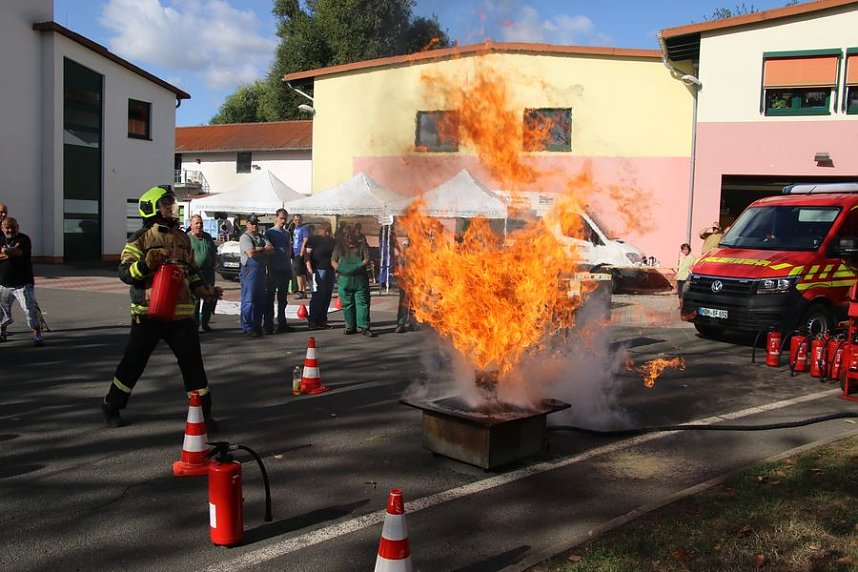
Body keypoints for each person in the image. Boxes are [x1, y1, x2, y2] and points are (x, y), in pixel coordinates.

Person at [101, 185, 221, 429]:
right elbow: (125, 274)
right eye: (165, 205)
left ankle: (203, 415)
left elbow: (191, 272)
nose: (171, 208)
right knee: (133, 363)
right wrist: (146, 265)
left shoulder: (182, 238)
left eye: (171, 204)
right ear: (151, 209)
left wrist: (204, 290)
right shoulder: (140, 238)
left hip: (181, 316)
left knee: (193, 366)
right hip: (148, 315)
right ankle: (112, 405)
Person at [0, 217, 44, 346]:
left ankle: (37, 334)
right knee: (2, 311)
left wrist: (4, 251)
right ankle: (2, 332)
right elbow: (12, 252)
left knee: (30, 310)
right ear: (2, 228)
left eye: (13, 227)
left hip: (23, 284)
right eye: (7, 228)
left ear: (18, 227)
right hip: (3, 284)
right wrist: (8, 252)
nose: (10, 230)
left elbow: (18, 253)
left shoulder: (24, 239)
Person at [332, 227, 375, 337]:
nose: (349, 238)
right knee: (347, 304)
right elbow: (333, 261)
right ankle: (350, 327)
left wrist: (358, 266)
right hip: (344, 280)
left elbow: (367, 259)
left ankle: (364, 327)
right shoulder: (339, 247)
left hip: (360, 280)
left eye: (351, 236)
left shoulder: (362, 246)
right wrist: (341, 269)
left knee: (363, 304)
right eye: (347, 236)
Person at [239, 214, 273, 337]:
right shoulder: (245, 237)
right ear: (247, 224)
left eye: (256, 223)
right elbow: (250, 253)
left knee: (260, 301)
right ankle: (247, 327)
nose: (254, 226)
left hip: (261, 271)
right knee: (249, 300)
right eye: (252, 223)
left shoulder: (262, 237)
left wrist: (258, 249)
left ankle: (257, 326)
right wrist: (263, 250)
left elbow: (272, 250)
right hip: (249, 271)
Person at [263, 208, 293, 334]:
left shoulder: (286, 233)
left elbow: (289, 249)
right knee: (270, 297)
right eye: (281, 218)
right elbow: (268, 252)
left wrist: (289, 267)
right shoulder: (270, 233)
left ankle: (282, 323)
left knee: (283, 298)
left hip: (285, 268)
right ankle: (268, 325)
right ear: (276, 218)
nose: (283, 221)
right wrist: (269, 269)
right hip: (274, 269)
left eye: (285, 219)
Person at [187, 215, 218, 332]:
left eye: (201, 223)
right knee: (195, 301)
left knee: (209, 298)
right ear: (191, 225)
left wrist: (215, 262)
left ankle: (205, 323)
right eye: (197, 223)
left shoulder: (207, 237)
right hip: (195, 273)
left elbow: (214, 252)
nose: (199, 225)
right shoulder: (187, 238)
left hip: (209, 272)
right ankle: (194, 326)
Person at [304, 221, 336, 329]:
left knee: (327, 296)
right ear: (321, 230)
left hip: (330, 270)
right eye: (325, 231)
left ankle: (322, 320)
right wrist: (309, 268)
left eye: (329, 231)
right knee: (318, 295)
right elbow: (307, 254)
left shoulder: (332, 241)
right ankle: (313, 320)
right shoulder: (314, 240)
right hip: (318, 270)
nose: (327, 233)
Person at [291, 214, 310, 298]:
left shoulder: (304, 228)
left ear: (301, 220)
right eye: (296, 220)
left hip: (299, 252)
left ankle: (300, 290)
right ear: (293, 221)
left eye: (299, 220)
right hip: (295, 252)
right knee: (301, 272)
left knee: (298, 272)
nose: (297, 221)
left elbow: (305, 240)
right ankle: (303, 291)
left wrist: (302, 250)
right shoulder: (295, 229)